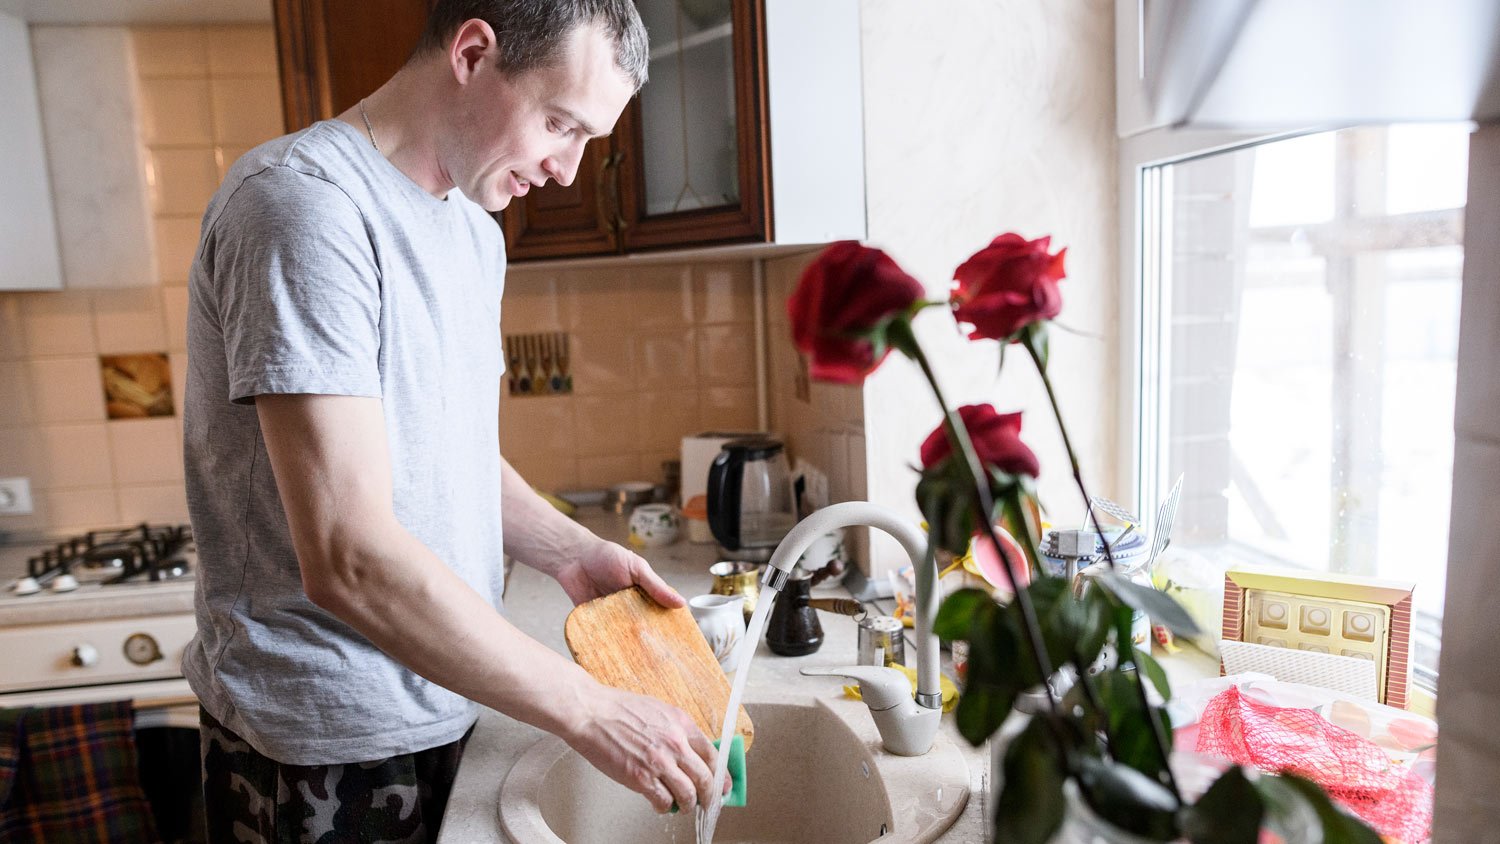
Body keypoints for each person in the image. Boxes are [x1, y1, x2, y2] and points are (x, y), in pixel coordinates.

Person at [181, 2, 718, 839]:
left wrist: (569, 551)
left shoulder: (474, 230)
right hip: (326, 744)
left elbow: (451, 455)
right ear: (472, 52)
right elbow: (349, 557)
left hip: (454, 696)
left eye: (589, 140)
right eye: (558, 123)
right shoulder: (303, 208)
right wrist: (589, 708)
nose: (570, 170)